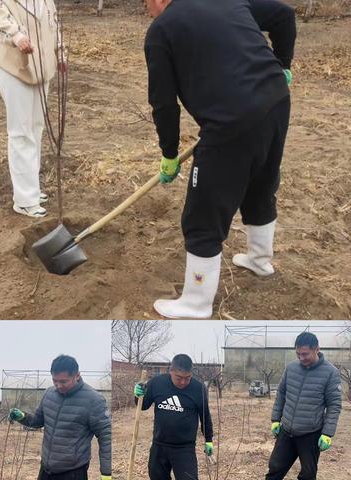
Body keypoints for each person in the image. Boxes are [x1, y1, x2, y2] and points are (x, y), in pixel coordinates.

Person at [143, 0, 296, 318]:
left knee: (203, 212)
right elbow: (284, 15)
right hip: (276, 101)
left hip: (231, 122)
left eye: (145, 3)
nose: (146, 10)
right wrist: (283, 66)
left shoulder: (161, 31)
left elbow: (163, 104)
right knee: (260, 185)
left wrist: (169, 154)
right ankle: (259, 260)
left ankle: (196, 302)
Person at [0, 0, 65, 218]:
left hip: (42, 68)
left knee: (36, 127)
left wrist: (60, 52)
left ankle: (32, 187)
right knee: (21, 132)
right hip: (15, 69)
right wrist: (17, 37)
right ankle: (24, 200)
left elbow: (53, 24)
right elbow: (2, 21)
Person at [8, 355, 111, 480]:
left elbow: (106, 436)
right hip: (46, 469)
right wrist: (22, 416)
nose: (58, 385)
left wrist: (106, 473)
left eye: (63, 381)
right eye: (54, 380)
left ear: (77, 376)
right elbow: (37, 421)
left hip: (73, 472)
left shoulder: (94, 400)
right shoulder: (49, 394)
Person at [265, 332, 342, 480]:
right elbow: (281, 393)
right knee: (275, 470)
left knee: (308, 475)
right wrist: (275, 419)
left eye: (305, 354)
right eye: (298, 354)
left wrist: (327, 433)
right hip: (286, 431)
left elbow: (334, 405)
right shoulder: (291, 368)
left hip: (310, 434)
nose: (301, 358)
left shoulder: (330, 373)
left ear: (317, 349)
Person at [134, 354, 213, 480]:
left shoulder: (198, 389)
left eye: (187, 378)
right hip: (159, 446)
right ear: (171, 371)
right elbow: (142, 406)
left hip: (184, 448)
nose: (183, 382)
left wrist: (208, 439)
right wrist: (139, 395)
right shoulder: (157, 383)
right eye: (179, 378)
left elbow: (205, 415)